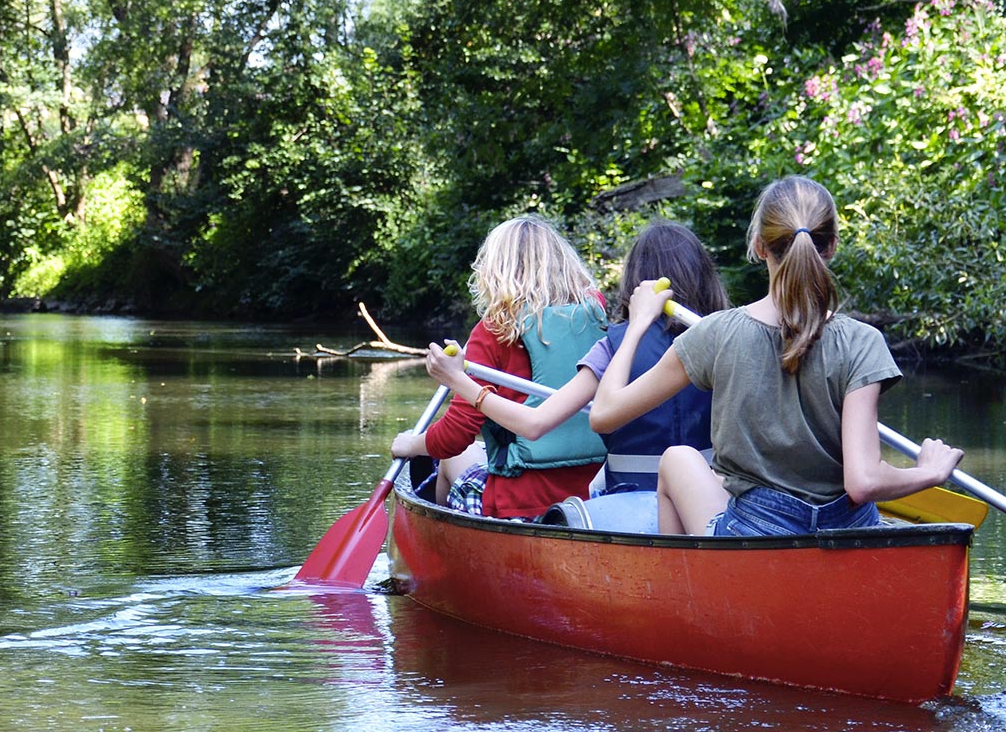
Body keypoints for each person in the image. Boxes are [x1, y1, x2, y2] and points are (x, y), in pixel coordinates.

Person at [590, 175, 963, 537]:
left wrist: (637, 325)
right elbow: (863, 482)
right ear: (832, 245)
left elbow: (604, 416)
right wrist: (927, 472)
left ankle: (679, 589)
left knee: (677, 459)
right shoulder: (862, 342)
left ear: (758, 246)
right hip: (847, 531)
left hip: (754, 531)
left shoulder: (716, 333)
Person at [418, 218, 728, 531]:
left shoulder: (611, 347)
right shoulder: (728, 343)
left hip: (627, 503)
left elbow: (536, 424)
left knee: (456, 461)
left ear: (635, 283)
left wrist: (458, 380)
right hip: (705, 501)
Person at [389, 216, 606, 520]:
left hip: (517, 504)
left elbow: (454, 436)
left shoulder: (494, 331)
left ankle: (438, 541)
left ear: (495, 271)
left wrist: (412, 443)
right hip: (593, 499)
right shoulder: (598, 319)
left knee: (450, 459)